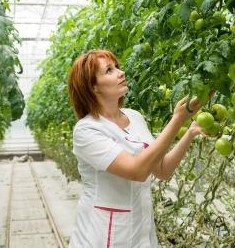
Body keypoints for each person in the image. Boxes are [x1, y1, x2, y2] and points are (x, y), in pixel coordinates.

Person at [67, 50, 208, 247]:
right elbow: (136, 171)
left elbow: (162, 170)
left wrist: (189, 133)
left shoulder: (134, 117)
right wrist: (177, 119)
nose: (120, 72)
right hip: (102, 236)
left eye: (117, 66)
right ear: (93, 87)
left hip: (141, 231)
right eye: (109, 70)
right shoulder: (87, 130)